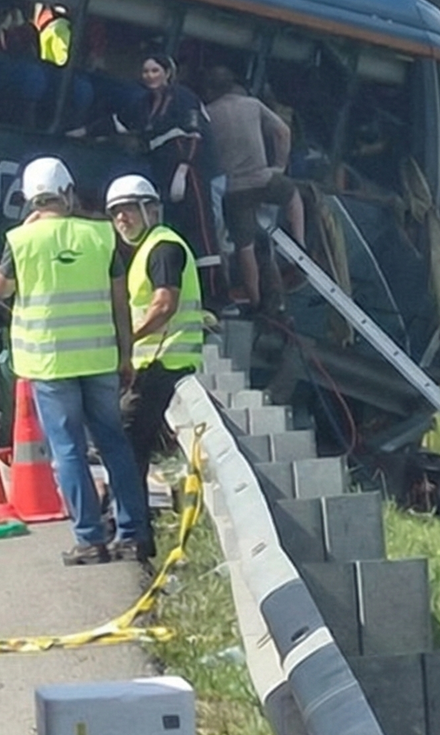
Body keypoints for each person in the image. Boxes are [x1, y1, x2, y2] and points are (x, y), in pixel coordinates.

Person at [0, 157, 151, 564]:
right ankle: (133, 534)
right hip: (99, 358)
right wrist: (126, 352)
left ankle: (90, 540)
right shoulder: (100, 236)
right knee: (115, 444)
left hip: (50, 364)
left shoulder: (21, 241)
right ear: (67, 191)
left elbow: (1, 288)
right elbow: (121, 299)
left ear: (30, 200)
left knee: (68, 452)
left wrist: (24, 237)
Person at [70, 53, 223, 305]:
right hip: (162, 169)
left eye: (155, 71)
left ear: (167, 73)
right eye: (146, 72)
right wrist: (81, 132)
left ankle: (217, 296)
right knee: (175, 230)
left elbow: (194, 134)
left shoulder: (183, 98)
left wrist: (184, 169)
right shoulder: (145, 103)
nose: (149, 76)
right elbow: (117, 122)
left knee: (201, 231)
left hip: (189, 172)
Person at [104, 174, 202, 497]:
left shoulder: (163, 248)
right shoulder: (148, 249)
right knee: (133, 447)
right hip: (156, 363)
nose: (121, 218)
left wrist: (125, 340)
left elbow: (164, 305)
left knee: (125, 445)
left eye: (129, 209)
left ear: (152, 210)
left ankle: (127, 530)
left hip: (163, 363)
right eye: (115, 212)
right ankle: (132, 529)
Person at [203, 65, 305, 317]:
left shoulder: (208, 114)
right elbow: (283, 131)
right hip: (264, 179)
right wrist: (279, 165)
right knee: (293, 196)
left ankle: (256, 301)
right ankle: (299, 242)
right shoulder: (252, 104)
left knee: (244, 248)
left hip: (234, 190)